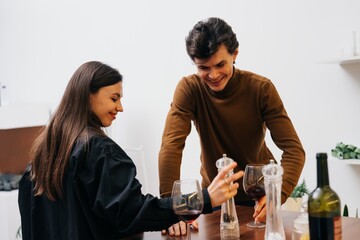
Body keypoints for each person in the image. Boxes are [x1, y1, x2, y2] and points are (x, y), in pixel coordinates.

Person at [17, 61, 244, 240]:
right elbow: (136, 212)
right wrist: (204, 198)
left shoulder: (40, 161)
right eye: (114, 98)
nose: (120, 107)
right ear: (88, 95)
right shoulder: (99, 151)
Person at [159, 17, 305, 235]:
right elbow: (171, 146)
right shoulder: (189, 88)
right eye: (203, 68)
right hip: (215, 197)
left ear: (235, 54)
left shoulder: (261, 89)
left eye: (220, 65)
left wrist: (277, 195)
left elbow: (294, 149)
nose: (214, 75)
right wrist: (170, 210)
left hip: (259, 199)